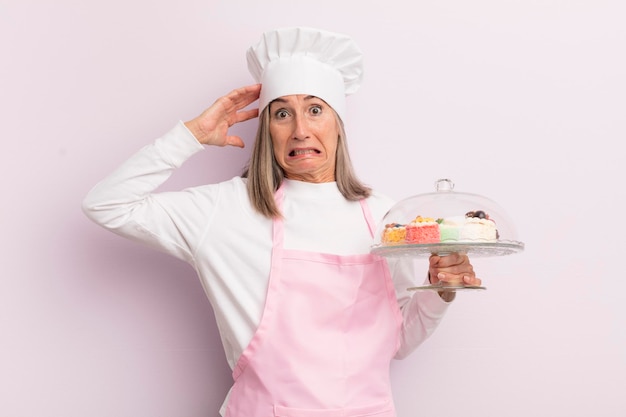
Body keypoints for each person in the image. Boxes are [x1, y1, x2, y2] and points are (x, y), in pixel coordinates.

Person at [82, 27, 482, 417]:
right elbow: (107, 205)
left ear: (337, 123)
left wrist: (439, 289)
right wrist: (191, 136)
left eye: (314, 109)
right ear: (267, 129)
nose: (300, 130)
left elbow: (399, 341)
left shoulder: (385, 217)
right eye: (282, 114)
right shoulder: (224, 209)